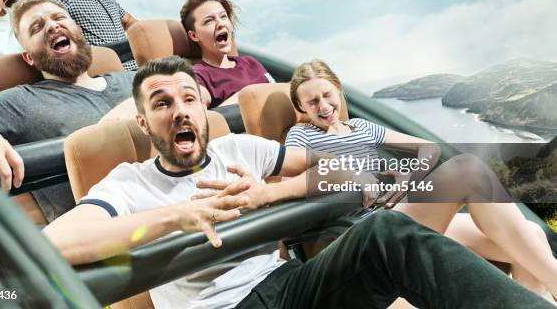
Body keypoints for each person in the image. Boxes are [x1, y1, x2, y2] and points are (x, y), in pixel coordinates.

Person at [43, 56, 553, 309]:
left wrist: (272, 191)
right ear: (142, 123)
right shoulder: (129, 183)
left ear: (203, 109)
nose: (180, 112)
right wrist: (174, 216)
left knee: (387, 235)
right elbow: (55, 243)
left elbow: (346, 171)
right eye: (162, 103)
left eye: (189, 99)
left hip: (285, 287)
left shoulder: (237, 149)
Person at [285, 59, 557, 300]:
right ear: (301, 107)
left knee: (532, 234)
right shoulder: (301, 137)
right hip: (368, 229)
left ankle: (534, 299)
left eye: (326, 95)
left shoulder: (361, 127)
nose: (323, 106)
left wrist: (408, 177)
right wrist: (350, 175)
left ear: (339, 90)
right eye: (312, 102)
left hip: (400, 211)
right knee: (467, 170)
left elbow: (429, 148)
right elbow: (293, 185)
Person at [0, 0, 134, 221]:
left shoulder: (135, 81)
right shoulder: (20, 101)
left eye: (59, 18)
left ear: (80, 32)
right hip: (117, 232)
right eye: (37, 28)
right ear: (29, 58)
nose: (52, 26)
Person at [180, 0, 274, 108]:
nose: (220, 23)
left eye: (223, 16)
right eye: (209, 21)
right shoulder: (197, 76)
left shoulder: (251, 63)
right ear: (194, 36)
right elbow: (202, 115)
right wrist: (248, 95)